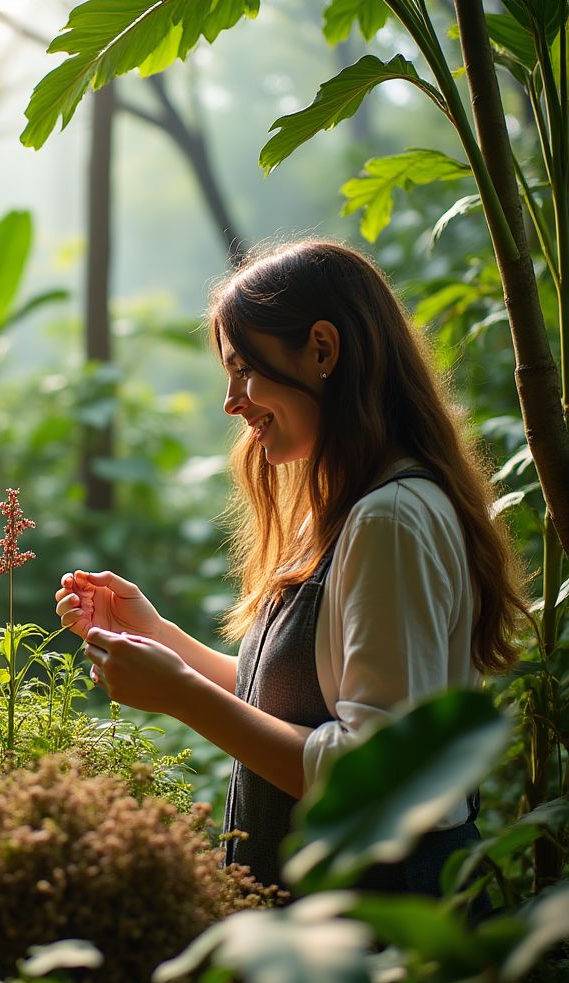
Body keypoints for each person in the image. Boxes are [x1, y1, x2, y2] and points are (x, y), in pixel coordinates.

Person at [55, 240, 525, 892]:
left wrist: (181, 697)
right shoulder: (350, 509)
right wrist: (155, 637)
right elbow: (290, 708)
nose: (231, 401)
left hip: (380, 931)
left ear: (323, 350)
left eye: (244, 368)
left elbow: (376, 774)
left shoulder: (388, 521)